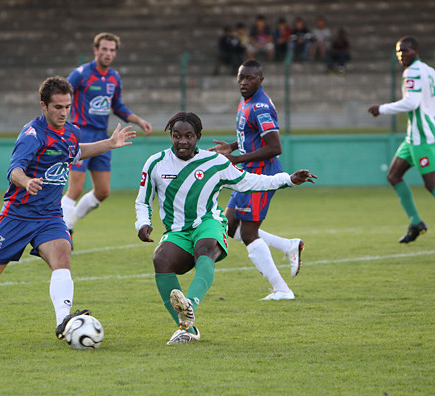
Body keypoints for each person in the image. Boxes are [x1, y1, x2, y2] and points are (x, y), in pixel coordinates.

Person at [0, 76, 137, 342]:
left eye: (67, 106)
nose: (63, 112)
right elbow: (13, 169)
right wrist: (26, 181)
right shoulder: (32, 134)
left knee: (63, 257)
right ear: (44, 106)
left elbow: (75, 152)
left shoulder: (72, 132)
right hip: (17, 215)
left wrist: (108, 144)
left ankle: (63, 320)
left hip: (50, 215)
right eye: (57, 107)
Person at [135, 111, 316, 344]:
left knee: (205, 248)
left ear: (198, 137)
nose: (182, 141)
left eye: (188, 136)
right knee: (160, 259)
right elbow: (143, 200)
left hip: (208, 223)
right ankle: (187, 329)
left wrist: (288, 180)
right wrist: (143, 223)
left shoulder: (215, 162)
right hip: (177, 231)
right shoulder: (155, 163)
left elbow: (249, 181)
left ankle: (189, 303)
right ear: (170, 135)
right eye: (177, 135)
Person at [209, 59, 306, 300]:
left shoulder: (260, 107)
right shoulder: (247, 101)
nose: (243, 82)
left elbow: (274, 147)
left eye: (249, 78)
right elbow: (251, 135)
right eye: (241, 77)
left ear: (260, 80)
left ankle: (282, 290)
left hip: (261, 174)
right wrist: (230, 147)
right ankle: (288, 245)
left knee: (250, 233)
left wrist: (237, 158)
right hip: (248, 173)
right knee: (229, 227)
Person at [62, 32, 152, 241]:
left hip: (103, 137)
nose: (108, 53)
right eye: (104, 49)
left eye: (112, 50)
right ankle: (63, 234)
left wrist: (138, 120)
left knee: (102, 191)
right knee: (74, 189)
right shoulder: (81, 73)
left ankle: (69, 222)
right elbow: (61, 94)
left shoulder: (114, 77)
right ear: (96, 50)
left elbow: (117, 105)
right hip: (81, 135)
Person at [368, 36, 435, 243]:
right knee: (393, 175)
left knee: (432, 183)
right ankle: (416, 223)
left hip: (421, 137)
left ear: (415, 51)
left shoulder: (413, 71)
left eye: (405, 51)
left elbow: (412, 102)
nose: (401, 55)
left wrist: (382, 109)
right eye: (398, 52)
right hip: (413, 135)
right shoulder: (428, 70)